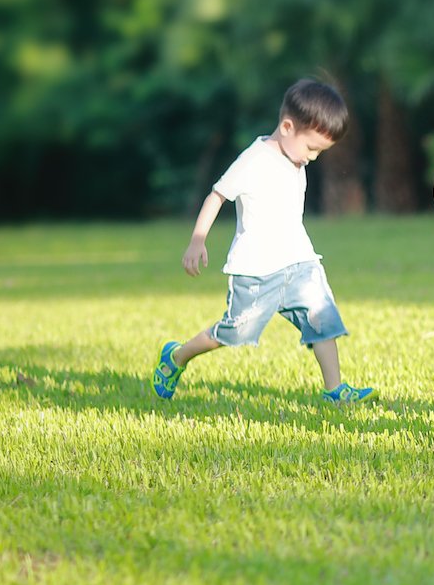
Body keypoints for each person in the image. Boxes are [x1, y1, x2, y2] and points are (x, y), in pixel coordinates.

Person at [151, 78, 373, 404]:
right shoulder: (252, 160)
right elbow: (218, 195)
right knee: (235, 332)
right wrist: (198, 241)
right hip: (256, 270)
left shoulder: (295, 156)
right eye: (312, 148)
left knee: (323, 319)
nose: (312, 158)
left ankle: (335, 390)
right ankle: (177, 356)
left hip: (300, 262)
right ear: (286, 127)